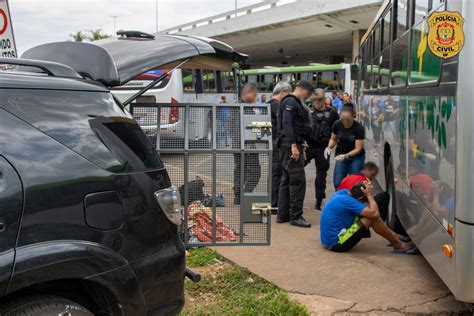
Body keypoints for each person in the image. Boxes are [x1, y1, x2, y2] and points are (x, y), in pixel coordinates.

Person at [320, 182, 415, 254]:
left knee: (370, 213)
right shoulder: (348, 201)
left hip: (332, 239)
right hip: (336, 243)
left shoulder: (343, 193)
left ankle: (395, 236)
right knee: (372, 218)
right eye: (363, 201)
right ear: (359, 199)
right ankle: (398, 245)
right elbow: (375, 214)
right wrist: (369, 195)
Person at [276, 80, 314, 228]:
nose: (308, 97)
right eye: (309, 94)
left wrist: (300, 141)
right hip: (289, 145)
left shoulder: (291, 101)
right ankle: (296, 216)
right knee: (298, 181)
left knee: (286, 180)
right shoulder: (291, 102)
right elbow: (287, 124)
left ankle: (282, 214)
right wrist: (293, 145)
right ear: (304, 90)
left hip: (289, 144)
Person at [305, 88, 339, 210]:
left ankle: (318, 201)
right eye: (316, 99)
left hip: (323, 148)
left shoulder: (332, 112)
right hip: (308, 146)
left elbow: (337, 130)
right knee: (295, 170)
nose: (317, 102)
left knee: (321, 177)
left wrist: (331, 146)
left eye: (320, 99)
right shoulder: (306, 110)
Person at [232, 83, 261, 204]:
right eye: (254, 95)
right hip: (247, 144)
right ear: (247, 94)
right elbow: (241, 127)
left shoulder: (237, 106)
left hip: (238, 144)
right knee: (255, 171)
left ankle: (238, 196)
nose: (255, 98)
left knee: (240, 170)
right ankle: (245, 194)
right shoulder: (244, 108)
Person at [325, 106, 366, 189]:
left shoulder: (359, 128)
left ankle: (354, 199)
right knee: (338, 182)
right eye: (343, 119)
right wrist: (329, 147)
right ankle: (340, 199)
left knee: (355, 183)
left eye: (348, 120)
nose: (345, 122)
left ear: (353, 117)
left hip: (356, 157)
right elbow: (333, 138)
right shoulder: (337, 124)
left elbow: (358, 148)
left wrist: (346, 155)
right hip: (341, 155)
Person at [269, 81, 292, 208]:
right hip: (277, 145)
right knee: (277, 174)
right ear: (282, 92)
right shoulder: (277, 106)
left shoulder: (269, 104)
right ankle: (276, 203)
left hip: (272, 143)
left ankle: (275, 202)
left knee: (275, 173)